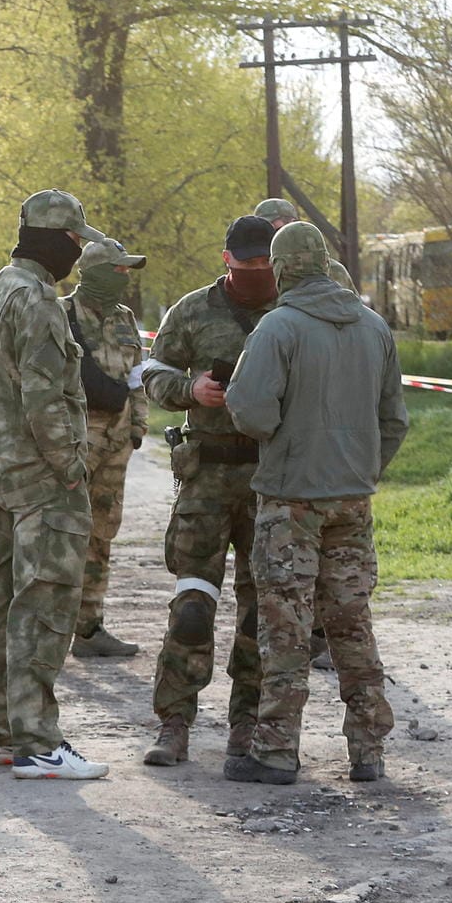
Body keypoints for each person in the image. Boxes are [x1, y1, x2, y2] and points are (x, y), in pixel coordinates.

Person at [223, 221, 409, 785]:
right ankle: (368, 750)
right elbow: (394, 420)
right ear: (325, 264)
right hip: (353, 500)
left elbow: (250, 409)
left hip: (290, 503)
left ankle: (277, 751)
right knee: (352, 623)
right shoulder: (375, 327)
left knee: (286, 627)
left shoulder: (279, 327)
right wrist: (359, 468)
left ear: (281, 270)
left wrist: (287, 442)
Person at [0, 189, 113, 781]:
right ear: (57, 239)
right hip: (45, 479)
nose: (78, 252)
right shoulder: (38, 302)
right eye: (76, 241)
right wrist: (72, 467)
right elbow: (46, 398)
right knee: (44, 601)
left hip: (0, 474)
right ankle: (38, 741)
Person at [138, 215, 277, 768]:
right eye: (247, 267)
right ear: (226, 260)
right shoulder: (192, 310)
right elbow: (151, 372)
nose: (257, 276)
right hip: (207, 480)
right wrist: (190, 389)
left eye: (266, 266)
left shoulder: (292, 310)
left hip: (272, 480)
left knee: (260, 611)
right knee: (193, 605)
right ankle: (175, 722)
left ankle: (247, 723)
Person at [254, 197, 341, 671]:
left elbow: (251, 409)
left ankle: (314, 640)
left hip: (306, 454)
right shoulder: (253, 284)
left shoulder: (321, 292)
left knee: (314, 563)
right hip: (320, 460)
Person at [62, 238, 150, 659]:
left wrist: (138, 425)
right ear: (95, 271)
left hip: (116, 443)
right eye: (117, 271)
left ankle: (89, 627)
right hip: (74, 442)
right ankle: (52, 626)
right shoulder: (61, 314)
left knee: (102, 533)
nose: (123, 278)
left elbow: (138, 374)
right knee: (63, 533)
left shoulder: (124, 317)